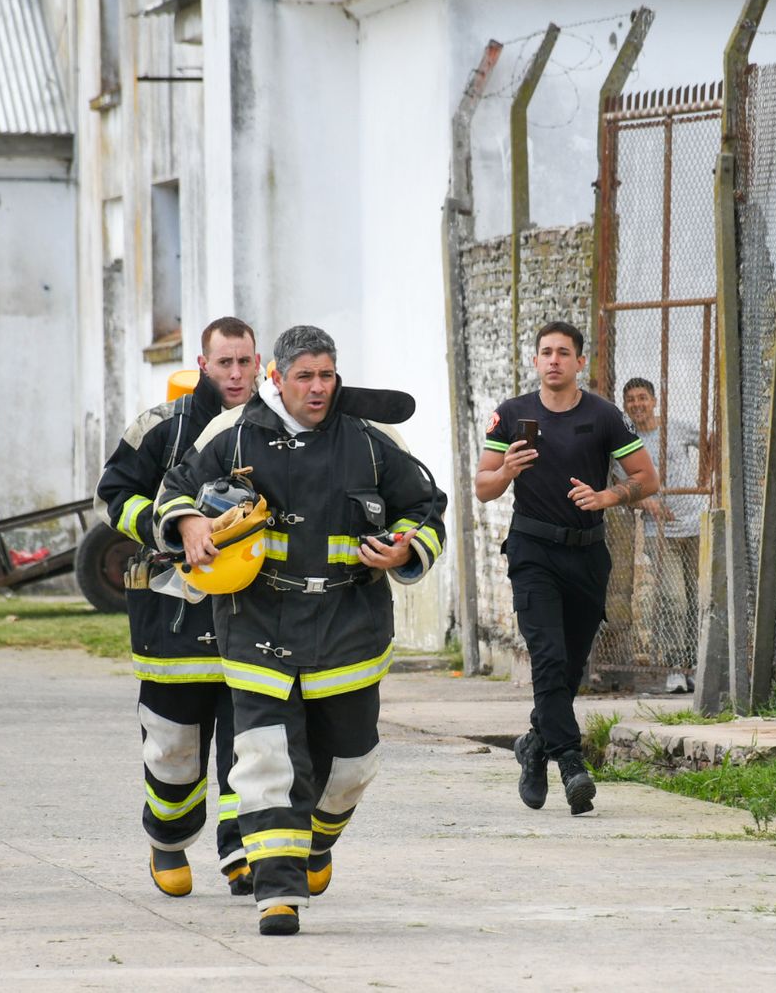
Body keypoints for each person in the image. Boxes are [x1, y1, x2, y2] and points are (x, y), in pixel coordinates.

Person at [157, 325, 446, 936]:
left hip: (349, 626)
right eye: (305, 376)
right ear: (277, 379)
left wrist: (405, 549)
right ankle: (277, 894)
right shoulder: (230, 435)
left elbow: (426, 504)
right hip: (256, 623)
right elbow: (173, 494)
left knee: (353, 766)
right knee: (265, 762)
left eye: (327, 375)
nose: (318, 388)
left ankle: (314, 843)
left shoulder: (370, 441)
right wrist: (187, 525)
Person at [95, 316, 261, 899]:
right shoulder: (160, 428)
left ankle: (244, 850)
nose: (236, 374)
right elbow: (112, 493)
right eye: (225, 363)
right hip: (170, 616)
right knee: (172, 749)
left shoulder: (278, 429)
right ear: (202, 364)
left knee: (255, 744)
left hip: (253, 614)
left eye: (245, 362)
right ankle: (168, 838)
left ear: (260, 363)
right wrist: (170, 527)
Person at [476, 321, 659, 815]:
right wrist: (507, 470)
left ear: (581, 362)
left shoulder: (603, 416)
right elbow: (482, 486)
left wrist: (608, 495)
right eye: (545, 352)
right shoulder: (512, 415)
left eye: (563, 352)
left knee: (571, 667)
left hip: (587, 553)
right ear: (535, 361)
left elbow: (647, 477)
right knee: (549, 658)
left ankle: (533, 746)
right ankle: (571, 761)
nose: (553, 360)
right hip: (532, 550)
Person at [621, 377, 707, 693]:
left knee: (697, 598)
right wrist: (648, 501)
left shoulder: (675, 428)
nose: (637, 404)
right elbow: (624, 486)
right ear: (625, 406)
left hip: (694, 521)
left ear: (654, 401)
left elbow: (708, 441)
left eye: (642, 398)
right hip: (660, 530)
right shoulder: (627, 441)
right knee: (674, 598)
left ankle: (696, 665)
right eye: (631, 400)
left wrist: (705, 475)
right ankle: (675, 667)